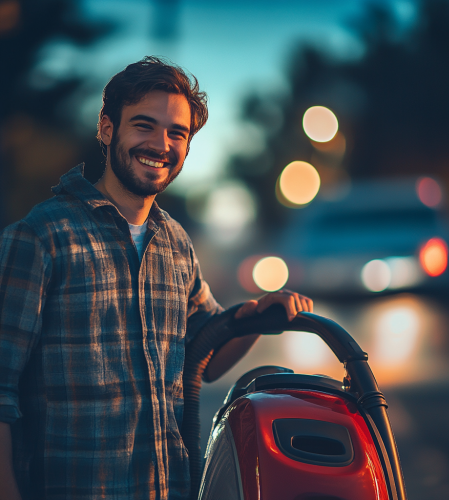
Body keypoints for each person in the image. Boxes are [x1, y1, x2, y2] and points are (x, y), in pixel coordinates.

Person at [0, 56, 313, 500]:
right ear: (107, 130)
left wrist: (259, 316)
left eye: (176, 133)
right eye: (143, 126)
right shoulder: (40, 238)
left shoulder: (175, 243)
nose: (160, 144)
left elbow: (206, 352)